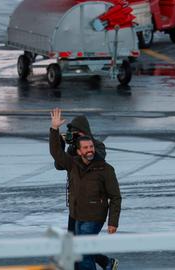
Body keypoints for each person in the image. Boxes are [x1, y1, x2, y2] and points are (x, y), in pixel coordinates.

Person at [50, 108, 121, 270]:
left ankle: (101, 263)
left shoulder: (96, 146)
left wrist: (83, 145)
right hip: (76, 205)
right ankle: (106, 263)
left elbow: (96, 159)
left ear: (82, 131)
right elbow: (59, 164)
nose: (72, 136)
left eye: (75, 132)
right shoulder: (73, 148)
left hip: (93, 207)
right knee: (74, 243)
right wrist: (62, 143)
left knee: (81, 246)